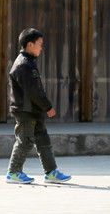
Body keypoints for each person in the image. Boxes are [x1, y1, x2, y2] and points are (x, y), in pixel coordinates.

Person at [6, 28, 72, 184]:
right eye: (39, 44)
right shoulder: (23, 65)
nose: (41, 48)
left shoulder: (29, 62)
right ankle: (13, 172)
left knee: (43, 140)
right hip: (25, 111)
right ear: (30, 45)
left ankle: (51, 172)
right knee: (25, 141)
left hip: (34, 110)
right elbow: (33, 91)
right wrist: (48, 107)